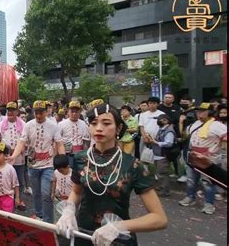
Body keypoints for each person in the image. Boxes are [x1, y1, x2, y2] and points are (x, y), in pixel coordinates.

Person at [56, 101, 167, 246]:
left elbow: (159, 218)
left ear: (119, 127)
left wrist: (119, 227)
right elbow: (77, 192)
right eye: (94, 123)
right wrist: (69, 211)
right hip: (82, 234)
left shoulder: (133, 165)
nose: (99, 128)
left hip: (117, 239)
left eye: (106, 123)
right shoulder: (80, 158)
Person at [9, 100, 65, 223]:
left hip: (48, 165)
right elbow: (21, 142)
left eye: (41, 113)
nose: (38, 116)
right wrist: (14, 156)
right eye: (36, 113)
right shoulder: (28, 125)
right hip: (32, 165)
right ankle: (39, 214)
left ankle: (48, 220)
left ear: (46, 112)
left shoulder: (53, 125)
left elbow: (59, 143)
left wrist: (63, 160)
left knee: (46, 193)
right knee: (36, 193)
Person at [179, 103, 227, 214]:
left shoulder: (217, 125)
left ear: (210, 112)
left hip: (209, 158)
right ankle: (190, 197)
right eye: (198, 111)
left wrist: (214, 150)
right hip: (194, 156)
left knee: (208, 182)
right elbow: (185, 136)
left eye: (202, 111)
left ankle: (209, 204)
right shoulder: (195, 124)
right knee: (191, 179)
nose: (199, 113)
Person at [0, 101, 27, 210]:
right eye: (8, 110)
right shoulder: (1, 125)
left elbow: (26, 141)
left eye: (12, 110)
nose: (10, 112)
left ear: (17, 111)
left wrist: (21, 149)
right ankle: (7, 203)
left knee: (19, 182)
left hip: (19, 159)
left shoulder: (23, 124)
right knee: (6, 182)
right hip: (5, 159)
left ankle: (18, 200)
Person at [148, 114, 177, 198]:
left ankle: (165, 191)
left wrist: (156, 142)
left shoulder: (169, 131)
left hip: (163, 155)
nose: (158, 121)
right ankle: (162, 187)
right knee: (159, 172)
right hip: (158, 154)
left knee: (162, 173)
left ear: (166, 120)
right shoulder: (162, 129)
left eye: (160, 120)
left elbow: (169, 143)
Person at [0, 142, 20, 213]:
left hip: (7, 196)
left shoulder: (10, 169)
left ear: (6, 156)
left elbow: (16, 184)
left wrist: (17, 197)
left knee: (7, 216)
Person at [58, 101, 91, 168]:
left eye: (76, 112)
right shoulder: (61, 124)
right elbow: (58, 141)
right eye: (72, 111)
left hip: (80, 153)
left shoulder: (83, 124)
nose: (74, 113)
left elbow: (86, 141)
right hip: (67, 154)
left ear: (79, 112)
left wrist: (85, 154)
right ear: (68, 112)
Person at [139, 97, 165, 170]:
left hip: (157, 138)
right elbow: (141, 126)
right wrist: (144, 137)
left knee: (157, 155)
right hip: (145, 137)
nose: (152, 105)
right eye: (150, 103)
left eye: (154, 103)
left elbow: (164, 126)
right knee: (144, 154)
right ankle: (146, 170)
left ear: (157, 104)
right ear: (148, 104)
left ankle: (158, 172)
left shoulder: (161, 114)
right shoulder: (143, 115)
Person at [177, 95, 198, 183]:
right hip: (182, 139)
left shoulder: (192, 113)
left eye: (186, 102)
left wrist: (181, 122)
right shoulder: (181, 112)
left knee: (188, 157)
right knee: (183, 158)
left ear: (191, 102)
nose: (183, 104)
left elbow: (189, 128)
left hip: (190, 139)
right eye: (182, 102)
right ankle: (187, 175)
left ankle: (190, 176)